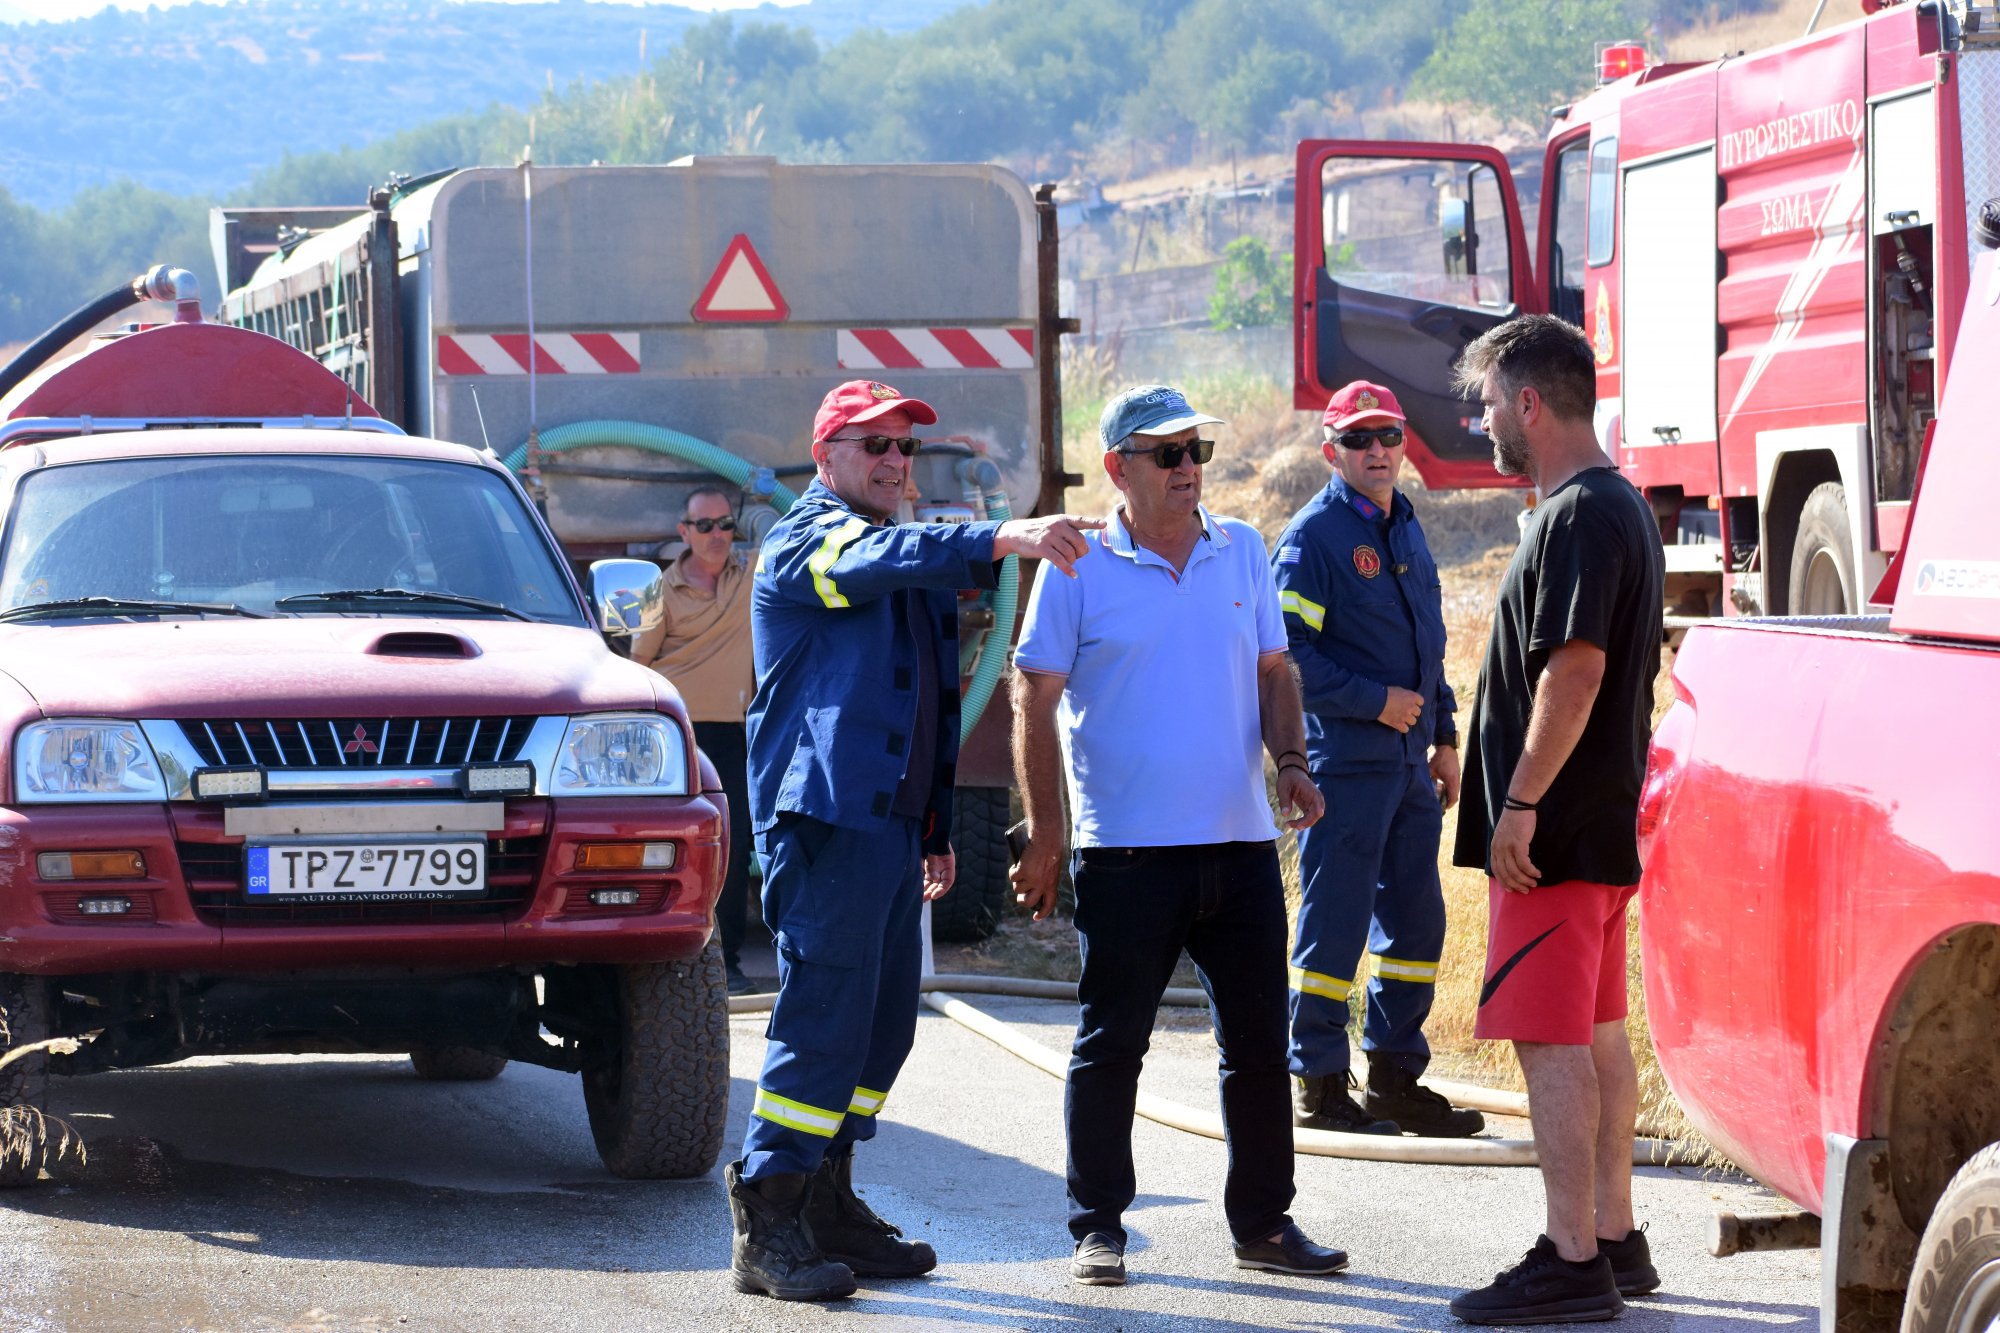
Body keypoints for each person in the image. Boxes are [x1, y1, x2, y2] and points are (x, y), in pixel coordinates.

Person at [726, 378, 1102, 1302]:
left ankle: (828, 1202)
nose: (895, 461)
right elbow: (866, 562)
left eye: (906, 447)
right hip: (827, 824)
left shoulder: (901, 551)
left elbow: (932, 699)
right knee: (824, 1020)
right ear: (826, 457)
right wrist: (1002, 536)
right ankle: (768, 1219)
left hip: (890, 827)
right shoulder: (808, 540)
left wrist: (934, 823)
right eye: (875, 445)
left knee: (882, 1027)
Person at [1011, 383, 1346, 1289]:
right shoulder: (1076, 565)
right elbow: (1033, 697)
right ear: (1118, 467)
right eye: (1167, 453)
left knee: (1259, 1047)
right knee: (1112, 1044)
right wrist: (1046, 832)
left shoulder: (1243, 550)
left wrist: (1291, 761)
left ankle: (1264, 1223)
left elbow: (1274, 669)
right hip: (1125, 854)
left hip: (1239, 847)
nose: (1188, 466)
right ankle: (1098, 1226)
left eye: (1196, 449)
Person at [1444, 317, 1665, 1325]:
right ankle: (1614, 1238)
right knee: (1595, 1034)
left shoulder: (1575, 515)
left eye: (1491, 402)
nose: (1484, 420)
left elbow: (1572, 673)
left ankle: (1572, 1258)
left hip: (1554, 841)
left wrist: (1520, 803)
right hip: (1596, 830)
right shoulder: (1619, 505)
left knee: (1549, 1041)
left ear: (1529, 403)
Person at [1271, 381, 1483, 1139]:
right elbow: (1284, 659)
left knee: (1416, 924)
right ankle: (1319, 1080)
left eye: (1389, 435)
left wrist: (1445, 738)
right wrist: (1375, 702)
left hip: (1409, 767)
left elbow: (1430, 649)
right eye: (1358, 439)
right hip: (1344, 767)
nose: (1377, 451)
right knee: (1334, 924)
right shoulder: (1313, 538)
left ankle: (1394, 1076)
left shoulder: (1406, 527)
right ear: (1331, 452)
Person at [632, 485, 761, 996]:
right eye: (704, 525)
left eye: (725, 524)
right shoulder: (656, 591)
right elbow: (638, 666)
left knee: (733, 844)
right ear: (684, 532)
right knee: (670, 846)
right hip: (677, 734)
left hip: (734, 731)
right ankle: (660, 960)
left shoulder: (752, 575)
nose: (716, 535)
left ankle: (727, 964)